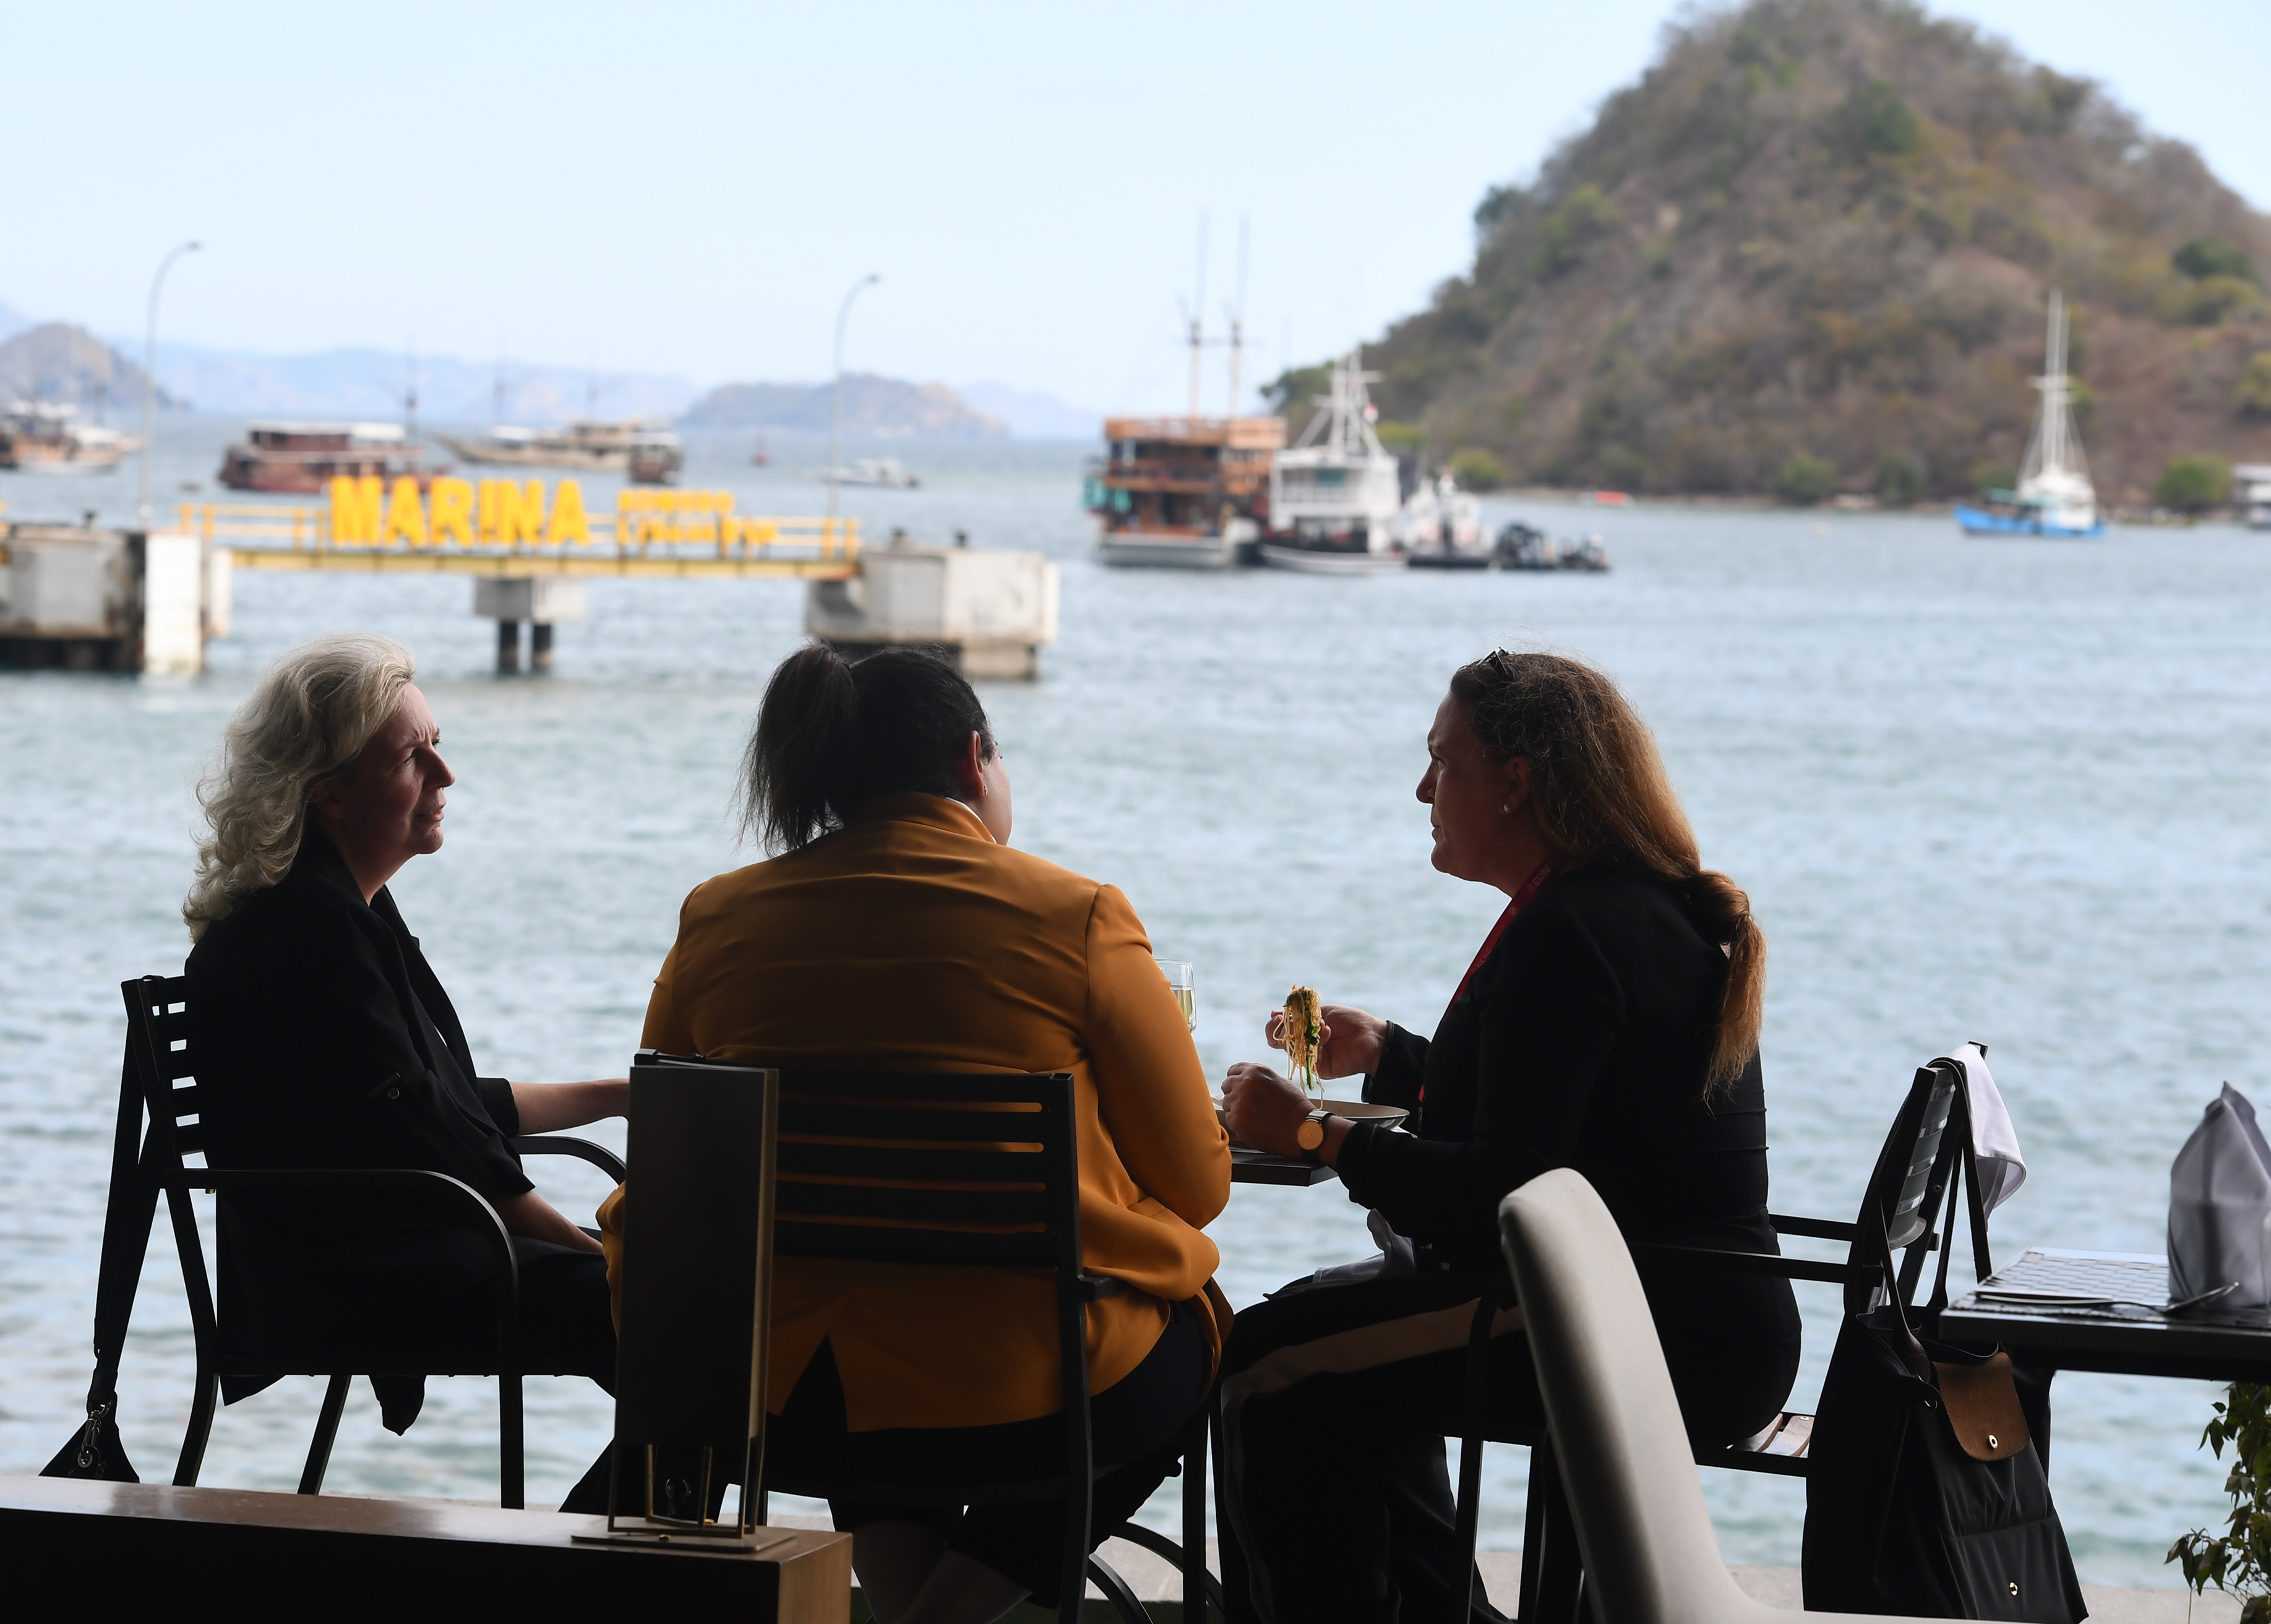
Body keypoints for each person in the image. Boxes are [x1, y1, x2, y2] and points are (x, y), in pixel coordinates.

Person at [633, 643, 1229, 1624]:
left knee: (867, 1339)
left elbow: (676, 1144)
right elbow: (1199, 1186)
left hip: (786, 1399)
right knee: (1189, 1343)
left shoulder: (719, 916)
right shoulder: (1078, 915)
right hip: (1029, 1397)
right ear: (972, 759)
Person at [1216, 648, 1801, 1624]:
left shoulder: (1568, 931)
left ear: (1514, 782)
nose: (1422, 788)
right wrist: (1398, 1055)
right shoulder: (1628, 904)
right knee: (1346, 1338)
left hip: (1635, 1323)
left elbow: (1502, 1193)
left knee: (1269, 1366)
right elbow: (1565, 1115)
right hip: (1705, 1312)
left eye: (1443, 761)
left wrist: (1317, 1134)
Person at [181, 634, 630, 1506]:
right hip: (350, 1276)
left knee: (679, 1332)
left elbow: (440, 1102)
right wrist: (578, 1242)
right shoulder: (313, 929)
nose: (446, 774)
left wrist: (617, 1096)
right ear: (332, 796)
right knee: (673, 1332)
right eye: (411, 756)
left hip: (379, 1246)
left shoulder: (336, 912)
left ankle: (593, 1568)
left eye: (438, 742)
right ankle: (584, 1578)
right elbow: (426, 1125)